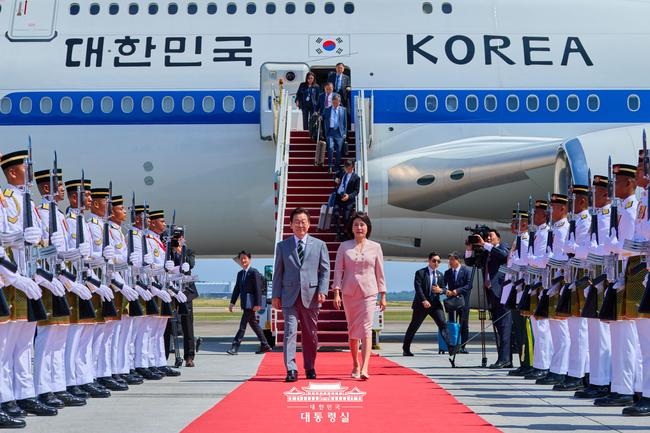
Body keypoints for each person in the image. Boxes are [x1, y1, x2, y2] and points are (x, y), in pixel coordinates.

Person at [272, 208, 330, 383]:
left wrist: (323, 290)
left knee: (310, 334)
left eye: (303, 221)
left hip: (311, 296)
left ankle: (310, 366)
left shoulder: (319, 245)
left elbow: (325, 270)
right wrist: (275, 295)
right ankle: (291, 369)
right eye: (296, 221)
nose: (300, 225)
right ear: (290, 224)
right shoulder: (282, 246)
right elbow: (278, 273)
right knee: (290, 332)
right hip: (289, 295)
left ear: (309, 224)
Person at [332, 212, 387, 380]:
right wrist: (336, 292)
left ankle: (365, 367)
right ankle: (355, 363)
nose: (359, 228)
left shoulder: (375, 247)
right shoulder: (344, 246)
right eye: (356, 224)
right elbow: (338, 271)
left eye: (362, 224)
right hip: (349, 293)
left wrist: (383, 295)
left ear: (367, 227)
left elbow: (380, 272)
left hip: (369, 292)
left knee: (366, 328)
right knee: (353, 331)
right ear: (351, 228)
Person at [465, 229, 511, 368]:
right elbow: (471, 262)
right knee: (499, 326)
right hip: (491, 293)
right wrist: (469, 249)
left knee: (504, 326)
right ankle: (505, 359)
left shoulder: (503, 247)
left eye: (491, 236)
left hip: (502, 292)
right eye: (487, 237)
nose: (488, 238)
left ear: (498, 238)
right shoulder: (486, 252)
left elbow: (503, 256)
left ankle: (504, 359)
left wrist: (485, 244)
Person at [402, 252, 455, 357]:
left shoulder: (440, 275)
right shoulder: (420, 273)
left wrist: (440, 290)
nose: (436, 263)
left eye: (438, 261)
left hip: (435, 305)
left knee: (443, 324)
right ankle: (406, 349)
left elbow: (444, 288)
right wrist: (424, 300)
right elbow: (418, 288)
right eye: (434, 261)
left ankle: (450, 347)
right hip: (422, 305)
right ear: (429, 261)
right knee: (414, 327)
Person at [227, 251, 272, 355]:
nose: (243, 260)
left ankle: (235, 347)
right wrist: (232, 302)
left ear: (249, 260)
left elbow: (258, 289)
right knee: (254, 324)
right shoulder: (240, 274)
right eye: (241, 258)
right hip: (245, 304)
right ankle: (265, 345)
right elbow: (237, 289)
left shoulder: (254, 272)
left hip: (251, 304)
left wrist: (258, 304)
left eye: (245, 258)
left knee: (242, 326)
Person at [171, 231, 199, 367]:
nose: (177, 240)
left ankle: (189, 357)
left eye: (179, 237)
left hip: (186, 292)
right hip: (171, 291)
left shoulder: (189, 252)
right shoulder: (168, 251)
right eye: (175, 238)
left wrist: (181, 252)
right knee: (168, 324)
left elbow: (191, 264)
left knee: (188, 325)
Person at [444, 252, 472, 353]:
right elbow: (443, 285)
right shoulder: (447, 273)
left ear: (458, 260)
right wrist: (446, 291)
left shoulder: (466, 271)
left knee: (464, 325)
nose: (450, 262)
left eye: (452, 259)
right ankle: (452, 345)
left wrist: (457, 291)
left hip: (463, 302)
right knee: (452, 324)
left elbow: (469, 285)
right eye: (449, 260)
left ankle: (463, 346)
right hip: (452, 302)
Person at [333, 160, 360, 241]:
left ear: (353, 167)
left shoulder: (356, 178)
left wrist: (349, 196)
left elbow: (356, 191)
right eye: (346, 168)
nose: (347, 170)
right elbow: (335, 175)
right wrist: (335, 179)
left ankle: (346, 233)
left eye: (349, 168)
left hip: (348, 200)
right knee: (336, 214)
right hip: (338, 196)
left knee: (346, 217)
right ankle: (338, 233)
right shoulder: (342, 171)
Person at [323, 93, 348, 174]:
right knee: (330, 148)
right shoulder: (327, 109)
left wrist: (345, 133)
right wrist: (320, 117)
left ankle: (336, 166)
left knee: (338, 151)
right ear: (332, 102)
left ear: (339, 102)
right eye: (334, 102)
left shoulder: (343, 110)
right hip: (330, 132)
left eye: (337, 102)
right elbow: (323, 117)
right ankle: (330, 166)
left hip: (339, 133)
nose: (336, 104)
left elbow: (345, 122)